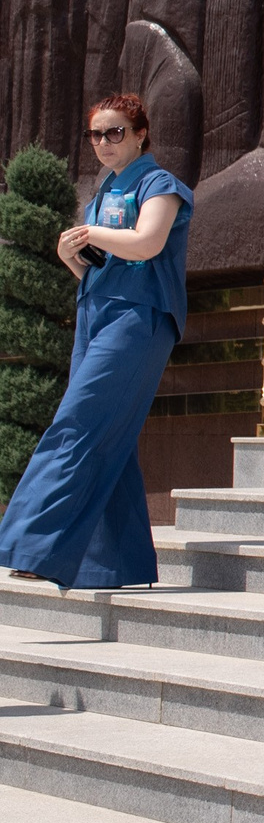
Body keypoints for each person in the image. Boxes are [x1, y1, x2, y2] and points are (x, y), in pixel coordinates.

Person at [0, 96, 191, 588]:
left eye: (116, 133)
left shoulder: (160, 185)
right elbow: (104, 268)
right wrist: (72, 259)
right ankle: (113, 565)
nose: (104, 143)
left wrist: (93, 232)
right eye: (96, 135)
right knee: (111, 435)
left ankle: (28, 544)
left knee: (79, 421)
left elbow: (148, 243)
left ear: (140, 134)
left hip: (138, 318)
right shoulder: (102, 194)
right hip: (96, 314)